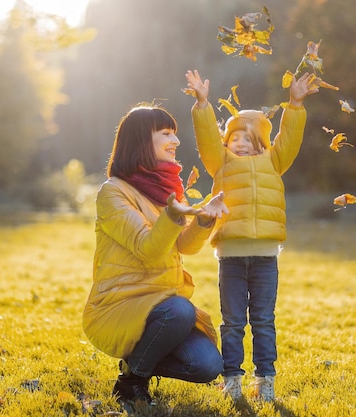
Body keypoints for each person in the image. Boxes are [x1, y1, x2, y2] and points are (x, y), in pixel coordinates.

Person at [82, 103, 228, 413]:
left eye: (174, 134)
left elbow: (184, 247)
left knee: (207, 365)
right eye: (166, 134)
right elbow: (147, 247)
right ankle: (132, 382)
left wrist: (204, 220)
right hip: (123, 303)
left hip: (163, 304)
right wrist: (172, 216)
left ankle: (137, 360)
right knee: (181, 311)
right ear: (140, 140)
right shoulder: (113, 192)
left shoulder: (167, 190)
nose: (175, 141)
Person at [184, 69, 319, 402]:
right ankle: (231, 379)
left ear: (260, 142)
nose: (240, 144)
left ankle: (265, 379)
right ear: (226, 143)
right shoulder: (222, 163)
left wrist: (295, 104)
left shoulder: (274, 161)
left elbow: (289, 138)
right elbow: (206, 140)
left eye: (248, 139)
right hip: (230, 257)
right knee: (232, 322)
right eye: (234, 139)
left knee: (262, 319)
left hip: (265, 257)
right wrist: (202, 105)